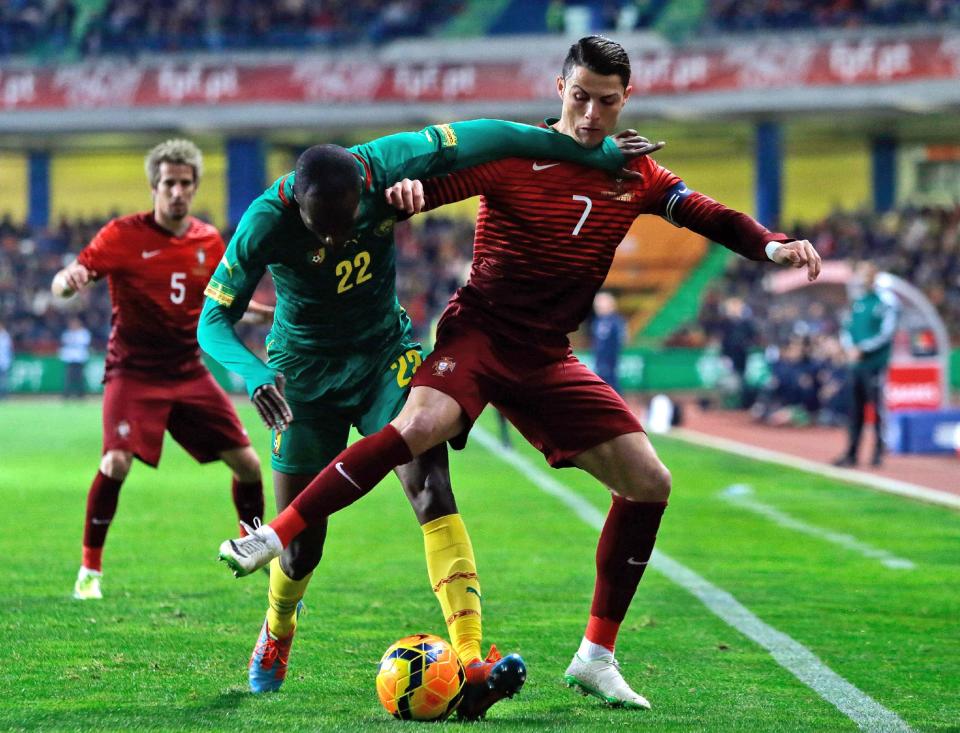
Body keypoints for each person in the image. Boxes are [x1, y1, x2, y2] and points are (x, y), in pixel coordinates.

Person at [219, 35, 822, 711]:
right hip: (471, 335)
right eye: (580, 96)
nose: (592, 113)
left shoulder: (636, 173)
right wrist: (411, 193)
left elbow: (704, 212)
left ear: (628, 99)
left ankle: (586, 654)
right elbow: (432, 176)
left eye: (607, 100)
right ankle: (280, 572)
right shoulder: (509, 159)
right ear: (558, 88)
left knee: (647, 481)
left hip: (540, 355)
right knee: (402, 447)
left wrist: (769, 243)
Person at [198, 119, 657, 715]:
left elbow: (488, 135)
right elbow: (213, 322)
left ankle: (470, 662)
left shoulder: (386, 162)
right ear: (297, 203)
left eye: (348, 226)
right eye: (322, 231)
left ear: (363, 191)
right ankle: (279, 625)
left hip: (385, 356)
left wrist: (588, 151)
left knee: (432, 490)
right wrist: (256, 375)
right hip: (302, 378)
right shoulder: (264, 220)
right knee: (301, 550)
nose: (337, 241)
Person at [51, 139, 265, 602]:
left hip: (187, 370)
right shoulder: (121, 235)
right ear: (154, 186)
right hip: (133, 372)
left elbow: (221, 304)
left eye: (186, 184)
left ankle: (256, 549)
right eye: (169, 183)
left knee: (248, 465)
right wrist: (68, 282)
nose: (177, 192)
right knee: (116, 462)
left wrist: (261, 313)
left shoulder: (209, 241)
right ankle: (90, 570)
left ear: (194, 187)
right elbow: (70, 276)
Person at [833, 262, 898, 467]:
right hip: (856, 366)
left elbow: (887, 332)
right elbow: (846, 328)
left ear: (874, 276)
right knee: (855, 411)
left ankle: (878, 454)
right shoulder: (858, 302)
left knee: (877, 410)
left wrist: (863, 349)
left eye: (865, 274)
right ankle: (852, 453)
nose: (861, 279)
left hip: (874, 364)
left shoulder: (885, 302)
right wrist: (850, 347)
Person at [591, 291, 626, 393]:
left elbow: (619, 341)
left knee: (611, 385)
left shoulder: (615, 321)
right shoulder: (597, 321)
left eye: (601, 303)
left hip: (610, 361)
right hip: (599, 360)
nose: (598, 307)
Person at [60, 316, 91, 399]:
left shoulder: (83, 333)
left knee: (80, 377)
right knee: (69, 377)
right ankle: (67, 394)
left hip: (80, 358)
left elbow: (84, 343)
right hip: (70, 358)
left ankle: (80, 394)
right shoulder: (67, 333)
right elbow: (64, 344)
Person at [0, 320, 12, 399]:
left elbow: (10, 348)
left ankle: (4, 396)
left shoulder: (6, 336)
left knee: (4, 380)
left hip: (4, 361)